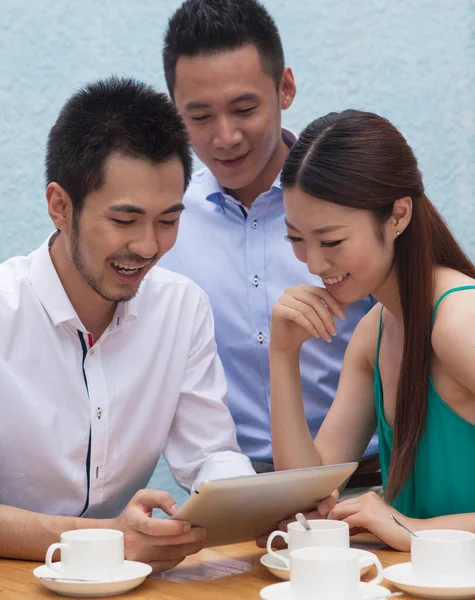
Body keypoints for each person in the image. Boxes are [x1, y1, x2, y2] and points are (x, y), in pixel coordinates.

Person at [0, 76, 255, 571]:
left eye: (168, 220)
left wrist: (262, 505)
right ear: (60, 207)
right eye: (124, 220)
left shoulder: (182, 310)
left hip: (118, 579)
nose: (147, 246)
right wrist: (106, 538)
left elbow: (209, 456)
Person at [160, 0, 378, 482]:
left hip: (370, 481)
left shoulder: (353, 202)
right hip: (232, 488)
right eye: (199, 117)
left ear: (286, 88)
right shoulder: (164, 228)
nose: (226, 137)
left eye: (244, 109)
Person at [270, 109, 475, 551]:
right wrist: (283, 355)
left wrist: (409, 528)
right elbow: (306, 496)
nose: (313, 263)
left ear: (398, 216)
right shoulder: (374, 331)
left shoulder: (460, 320)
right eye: (296, 238)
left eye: (331, 241)